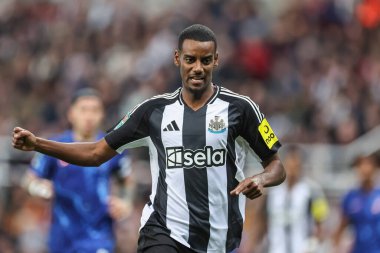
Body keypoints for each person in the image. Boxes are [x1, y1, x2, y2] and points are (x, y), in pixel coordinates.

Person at [12, 24, 286, 253]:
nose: (198, 68)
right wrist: (38, 144)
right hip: (164, 232)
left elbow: (276, 165)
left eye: (205, 60)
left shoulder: (241, 108)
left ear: (216, 60)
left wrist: (261, 179)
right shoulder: (153, 111)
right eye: (190, 59)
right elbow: (97, 153)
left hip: (219, 239)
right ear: (177, 58)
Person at [21, 88, 131, 253]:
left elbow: (127, 180)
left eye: (95, 110)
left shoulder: (113, 148)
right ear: (71, 114)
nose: (89, 116)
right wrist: (39, 188)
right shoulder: (54, 146)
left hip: (99, 236)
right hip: (62, 237)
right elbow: (28, 180)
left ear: (102, 114)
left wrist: (126, 201)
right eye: (83, 110)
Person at [249, 145, 329, 253]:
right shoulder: (270, 192)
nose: (292, 168)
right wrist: (252, 247)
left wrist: (312, 244)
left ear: (301, 166)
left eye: (296, 164)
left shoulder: (313, 191)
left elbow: (321, 225)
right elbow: (260, 223)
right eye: (290, 163)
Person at [333, 154, 380, 253]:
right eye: (361, 165)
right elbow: (341, 226)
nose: (365, 169)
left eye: (368, 164)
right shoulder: (351, 197)